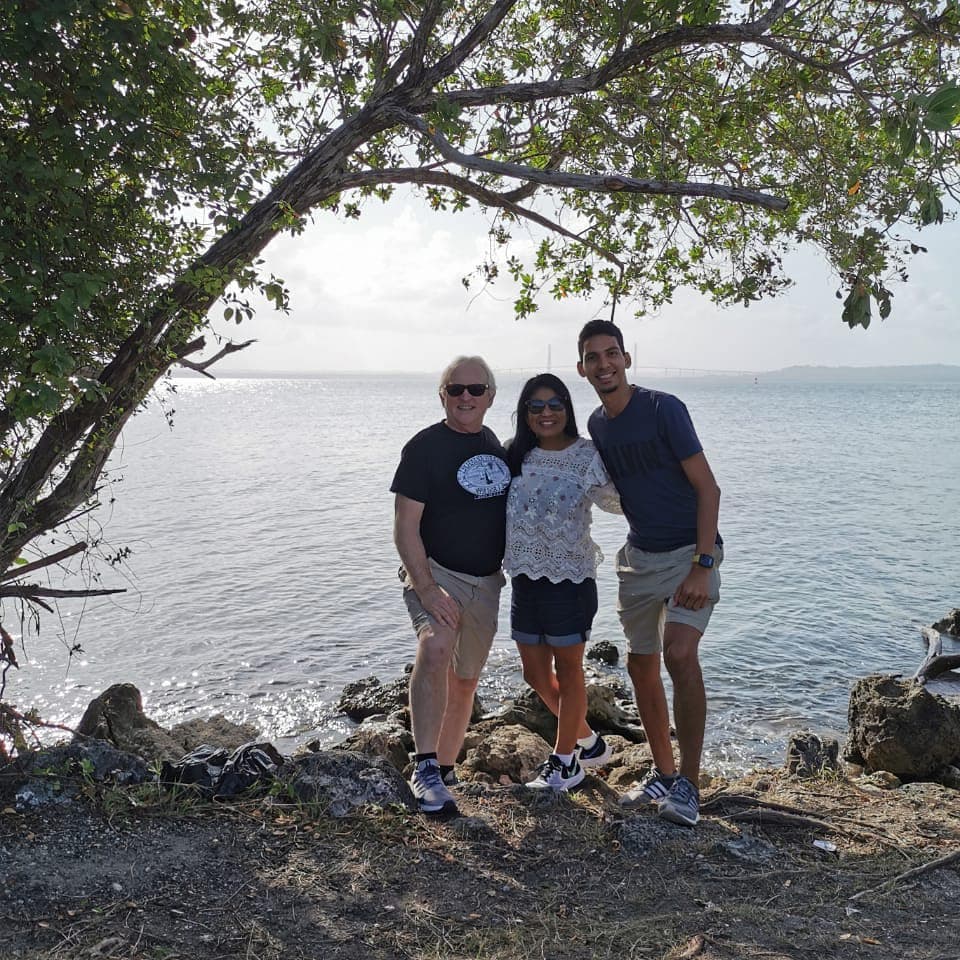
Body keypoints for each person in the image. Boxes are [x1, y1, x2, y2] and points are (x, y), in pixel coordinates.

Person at [577, 319, 723, 827]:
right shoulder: (596, 425)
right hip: (638, 560)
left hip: (690, 555)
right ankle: (662, 772)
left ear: (626, 358)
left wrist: (703, 565)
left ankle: (689, 783)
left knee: (679, 653)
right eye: (593, 357)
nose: (604, 364)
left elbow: (709, 489)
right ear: (582, 369)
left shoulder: (665, 409)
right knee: (641, 667)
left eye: (611, 353)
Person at [391, 356, 510, 816]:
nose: (466, 397)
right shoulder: (424, 447)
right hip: (436, 572)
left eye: (476, 389)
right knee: (436, 646)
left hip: (487, 581)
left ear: (490, 397)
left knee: (465, 678)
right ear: (441, 395)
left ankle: (443, 769)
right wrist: (425, 588)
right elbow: (405, 528)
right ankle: (423, 768)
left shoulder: (495, 447)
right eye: (455, 389)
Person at [503, 373, 621, 791]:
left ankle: (566, 760)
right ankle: (587, 741)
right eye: (536, 406)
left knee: (569, 669)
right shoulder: (515, 454)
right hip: (524, 577)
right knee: (534, 673)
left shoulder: (586, 456)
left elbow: (619, 501)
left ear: (568, 409)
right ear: (526, 414)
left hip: (570, 578)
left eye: (555, 404)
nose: (547, 412)